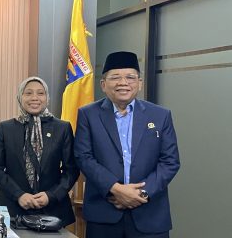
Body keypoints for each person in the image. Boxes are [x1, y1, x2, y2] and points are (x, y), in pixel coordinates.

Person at [74, 51, 180, 238]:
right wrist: (116, 189)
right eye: (115, 77)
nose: (123, 83)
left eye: (130, 77)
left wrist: (141, 193)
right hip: (104, 213)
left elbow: (170, 162)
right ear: (103, 84)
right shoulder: (88, 114)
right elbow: (84, 158)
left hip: (150, 214)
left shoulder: (160, 115)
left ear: (140, 83)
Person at [0, 76, 78, 225]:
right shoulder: (5, 128)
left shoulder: (62, 128)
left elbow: (72, 170)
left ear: (47, 97)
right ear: (20, 97)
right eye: (28, 93)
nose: (34, 98)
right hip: (14, 209)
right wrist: (19, 195)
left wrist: (51, 195)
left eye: (40, 93)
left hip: (53, 210)